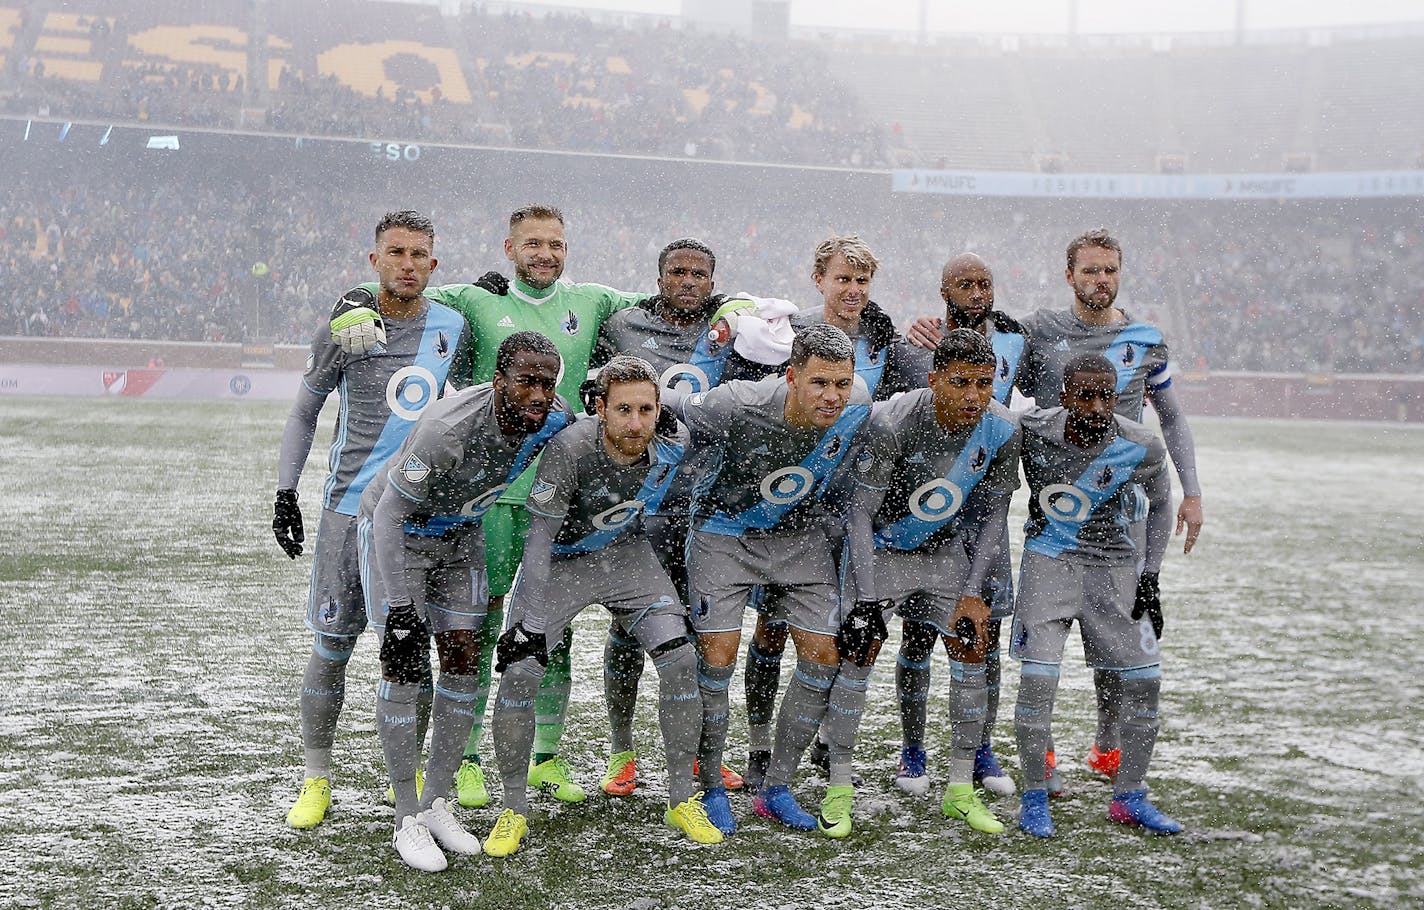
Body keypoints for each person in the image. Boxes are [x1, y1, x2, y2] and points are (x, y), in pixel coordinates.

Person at [275, 210, 470, 831]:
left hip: (417, 515)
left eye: (418, 255)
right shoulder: (347, 328)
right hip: (346, 509)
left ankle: (406, 776)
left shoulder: (454, 328)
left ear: (433, 266)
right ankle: (316, 775)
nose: (407, 264)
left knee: (412, 648)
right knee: (332, 645)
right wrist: (285, 491)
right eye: (396, 253)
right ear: (375, 260)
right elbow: (305, 413)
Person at [483, 355, 720, 856]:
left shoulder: (672, 440)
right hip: (563, 561)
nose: (636, 423)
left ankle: (681, 798)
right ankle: (512, 809)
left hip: (626, 555)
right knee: (521, 670)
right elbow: (541, 537)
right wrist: (524, 620)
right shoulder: (569, 449)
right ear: (600, 409)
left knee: (680, 659)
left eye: (646, 410)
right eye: (624, 410)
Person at [359, 331, 572, 871]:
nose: (538, 393)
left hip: (464, 535)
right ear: (498, 380)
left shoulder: (555, 416)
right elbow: (386, 513)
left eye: (547, 382)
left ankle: (436, 801)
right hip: (402, 531)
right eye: (525, 380)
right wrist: (401, 612)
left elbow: (593, 429)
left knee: (462, 660)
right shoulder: (446, 427)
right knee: (404, 663)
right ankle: (405, 814)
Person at [589, 238, 781, 796]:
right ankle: (622, 751)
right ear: (659, 277)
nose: (689, 282)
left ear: (714, 280)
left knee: (705, 635)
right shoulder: (623, 325)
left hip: (706, 506)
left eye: (701, 273)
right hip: (640, 504)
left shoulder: (735, 329)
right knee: (629, 630)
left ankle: (702, 754)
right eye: (678, 272)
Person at [1015, 229, 1203, 789]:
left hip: (1124, 510)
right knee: (1045, 644)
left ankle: (1107, 743)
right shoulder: (1039, 333)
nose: (1101, 280)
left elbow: (1170, 417)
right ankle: (1040, 750)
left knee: (1116, 635)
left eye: (1110, 271)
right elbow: (998, 383)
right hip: (1059, 507)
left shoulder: (1145, 339)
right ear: (1068, 275)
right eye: (1091, 270)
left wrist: (1190, 491)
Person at [745, 235, 923, 792]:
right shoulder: (786, 334)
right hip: (788, 505)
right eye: (842, 279)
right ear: (818, 278)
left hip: (852, 511)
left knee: (837, 630)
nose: (852, 290)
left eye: (861, 280)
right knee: (772, 630)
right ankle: (757, 743)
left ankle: (822, 739)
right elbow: (753, 401)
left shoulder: (884, 340)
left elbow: (896, 414)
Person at [681, 323, 871, 836]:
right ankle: (711, 785)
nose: (832, 396)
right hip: (724, 531)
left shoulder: (858, 406)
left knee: (824, 654)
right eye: (819, 384)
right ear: (790, 377)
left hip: (800, 536)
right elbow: (667, 415)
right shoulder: (735, 403)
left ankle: (776, 788)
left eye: (841, 382)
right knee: (717, 654)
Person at [840, 328, 1022, 836]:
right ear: (934, 378)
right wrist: (869, 598)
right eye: (960, 382)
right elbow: (859, 513)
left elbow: (993, 517)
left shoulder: (1003, 428)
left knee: (972, 643)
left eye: (984, 383)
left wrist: (972, 592)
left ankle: (960, 790)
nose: (973, 396)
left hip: (944, 554)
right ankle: (839, 786)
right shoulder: (892, 420)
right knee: (859, 648)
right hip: (883, 549)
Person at [1012, 353, 1180, 838]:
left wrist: (1151, 575)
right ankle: (1034, 794)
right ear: (1063, 397)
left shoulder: (1141, 444)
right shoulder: (1032, 429)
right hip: (1051, 561)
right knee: (1039, 681)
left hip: (1115, 568)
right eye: (1084, 394)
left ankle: (1129, 795)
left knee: (1147, 680)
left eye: (1104, 395)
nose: (1095, 405)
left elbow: (1162, 502)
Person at [891, 252, 1026, 799]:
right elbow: (901, 416)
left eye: (984, 283)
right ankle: (913, 748)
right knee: (919, 634)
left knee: (983, 636)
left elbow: (1053, 391)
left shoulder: (1017, 338)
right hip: (929, 518)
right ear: (943, 289)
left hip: (984, 514)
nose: (977, 292)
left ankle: (979, 745)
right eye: (965, 284)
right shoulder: (918, 344)